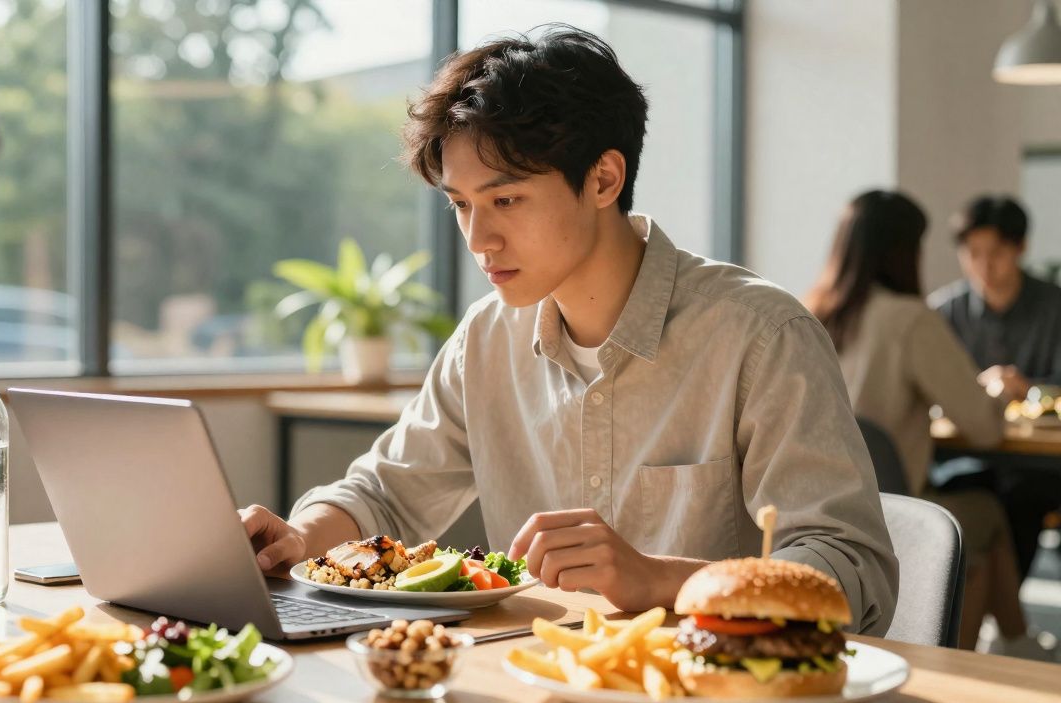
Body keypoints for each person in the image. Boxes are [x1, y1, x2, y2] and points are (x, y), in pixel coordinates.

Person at [241, 25, 897, 632]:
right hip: (539, 688)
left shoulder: (761, 334)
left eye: (505, 200)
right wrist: (300, 539)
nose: (478, 238)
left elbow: (855, 572)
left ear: (604, 178)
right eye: (460, 205)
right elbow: (383, 494)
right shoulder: (487, 339)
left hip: (718, 698)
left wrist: (659, 578)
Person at [805, 190, 1047, 657]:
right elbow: (983, 428)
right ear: (904, 249)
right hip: (895, 510)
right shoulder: (910, 319)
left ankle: (1016, 644)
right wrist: (997, 389)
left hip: (819, 511)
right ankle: (964, 659)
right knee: (983, 515)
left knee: (975, 518)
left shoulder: (810, 310)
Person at [930, 196, 1061, 578]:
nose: (983, 265)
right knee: (974, 497)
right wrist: (981, 388)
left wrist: (1026, 389)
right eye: (972, 253)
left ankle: (1007, 624)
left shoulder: (1054, 306)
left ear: (1020, 247)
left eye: (996, 252)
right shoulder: (943, 312)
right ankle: (1000, 627)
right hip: (967, 453)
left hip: (1042, 461)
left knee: (1024, 498)